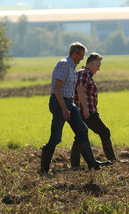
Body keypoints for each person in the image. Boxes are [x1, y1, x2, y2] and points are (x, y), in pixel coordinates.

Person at [40, 42, 111, 174]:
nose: (82, 59)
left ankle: (92, 164)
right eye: (81, 55)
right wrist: (64, 108)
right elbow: (56, 89)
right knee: (56, 138)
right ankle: (44, 168)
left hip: (69, 102)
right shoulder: (64, 65)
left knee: (82, 130)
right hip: (59, 102)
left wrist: (70, 107)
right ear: (74, 53)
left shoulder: (72, 68)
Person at [70, 52, 124, 168]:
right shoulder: (84, 74)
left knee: (79, 137)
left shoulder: (84, 74)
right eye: (98, 66)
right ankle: (112, 160)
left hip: (84, 111)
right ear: (92, 63)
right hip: (87, 112)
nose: (98, 69)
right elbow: (80, 90)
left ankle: (75, 165)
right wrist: (85, 110)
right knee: (104, 132)